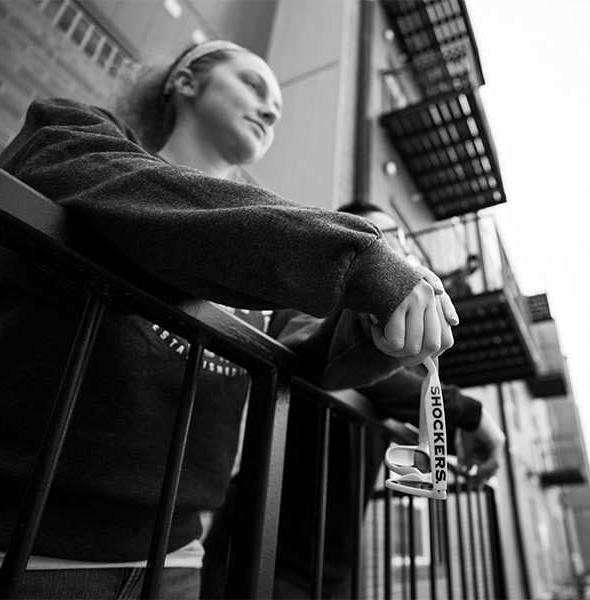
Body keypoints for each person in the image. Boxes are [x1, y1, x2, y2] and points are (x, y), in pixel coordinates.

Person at [0, 40, 458, 600]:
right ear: (187, 80)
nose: (269, 108)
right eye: (252, 85)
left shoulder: (266, 256)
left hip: (173, 561)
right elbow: (128, 194)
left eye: (278, 107)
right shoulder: (74, 133)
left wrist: (371, 331)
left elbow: (310, 358)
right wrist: (359, 261)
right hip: (6, 547)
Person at [199, 203, 506, 599]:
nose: (390, 251)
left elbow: (397, 394)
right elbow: (345, 366)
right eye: (374, 239)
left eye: (396, 239)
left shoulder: (394, 349)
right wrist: (473, 414)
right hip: (263, 552)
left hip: (335, 570)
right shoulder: (306, 309)